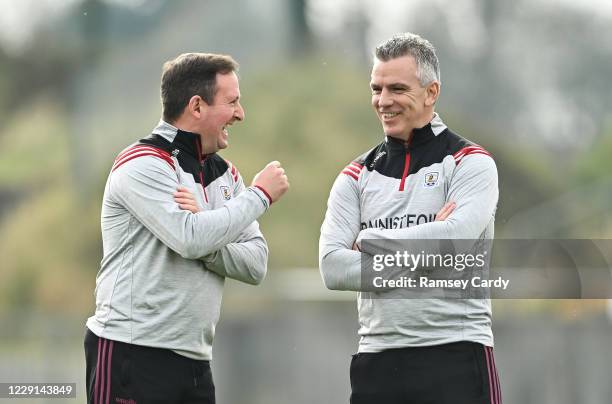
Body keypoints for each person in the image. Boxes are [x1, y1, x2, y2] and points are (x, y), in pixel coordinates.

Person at [84, 53, 289, 404]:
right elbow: (189, 238)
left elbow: (256, 264)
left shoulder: (226, 175)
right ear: (196, 106)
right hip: (131, 354)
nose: (240, 114)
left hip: (195, 363)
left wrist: (205, 229)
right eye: (233, 102)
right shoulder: (142, 164)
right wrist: (259, 196)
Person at [319, 33, 501, 404]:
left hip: (455, 354)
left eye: (397, 89)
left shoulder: (471, 162)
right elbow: (333, 268)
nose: (383, 101)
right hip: (377, 360)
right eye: (377, 88)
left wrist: (368, 244)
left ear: (431, 92)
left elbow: (454, 240)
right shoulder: (354, 176)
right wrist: (429, 241)